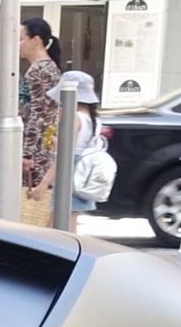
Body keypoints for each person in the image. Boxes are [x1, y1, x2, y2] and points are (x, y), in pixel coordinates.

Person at [18, 17, 63, 205]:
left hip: (38, 150)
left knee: (33, 202)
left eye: (21, 38)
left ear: (35, 40)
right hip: (44, 146)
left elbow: (38, 114)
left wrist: (27, 153)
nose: (18, 44)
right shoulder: (49, 68)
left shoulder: (40, 71)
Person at [64, 71, 114, 216]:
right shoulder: (94, 120)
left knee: (63, 226)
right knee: (67, 221)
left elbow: (65, 154)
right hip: (84, 175)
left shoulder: (76, 118)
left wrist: (42, 185)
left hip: (71, 176)